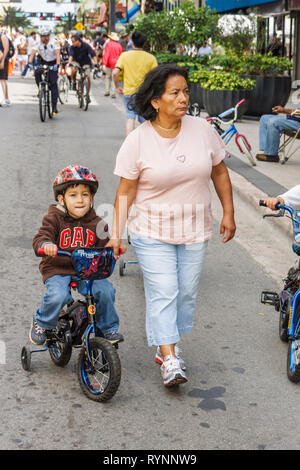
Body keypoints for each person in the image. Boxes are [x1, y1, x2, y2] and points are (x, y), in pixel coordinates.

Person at [107, 64, 236, 388]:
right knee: (164, 291)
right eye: (175, 93)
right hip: (151, 229)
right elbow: (126, 191)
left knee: (186, 293)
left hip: (194, 229)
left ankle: (166, 343)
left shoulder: (203, 130)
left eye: (185, 92)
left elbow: (219, 172)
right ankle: (170, 355)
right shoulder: (138, 141)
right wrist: (116, 233)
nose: (184, 98)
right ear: (156, 101)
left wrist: (229, 212)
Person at [30, 165, 125, 347]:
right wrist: (46, 245)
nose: (80, 200)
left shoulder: (97, 222)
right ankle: (42, 321)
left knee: (105, 291)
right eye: (73, 195)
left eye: (85, 195)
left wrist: (114, 248)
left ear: (92, 198)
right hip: (58, 267)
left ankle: (108, 328)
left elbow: (105, 245)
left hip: (87, 270)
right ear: (61, 199)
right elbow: (41, 237)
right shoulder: (54, 218)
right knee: (58, 295)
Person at [113, 31, 157, 135]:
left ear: (132, 43)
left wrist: (117, 86)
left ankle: (130, 143)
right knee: (144, 120)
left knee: (130, 117)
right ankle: (145, 143)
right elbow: (156, 77)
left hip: (129, 92)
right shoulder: (151, 58)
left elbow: (115, 73)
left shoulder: (125, 56)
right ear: (144, 43)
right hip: (144, 93)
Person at [28, 26, 60, 115]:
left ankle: (54, 105)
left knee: (53, 83)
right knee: (37, 72)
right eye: (41, 35)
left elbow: (57, 55)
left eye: (44, 36)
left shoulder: (55, 42)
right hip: (42, 61)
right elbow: (33, 53)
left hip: (53, 62)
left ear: (48, 36)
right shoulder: (38, 42)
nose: (42, 38)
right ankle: (40, 88)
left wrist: (57, 65)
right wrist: (30, 63)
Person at [102, 32, 122, 98]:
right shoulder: (119, 45)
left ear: (110, 38)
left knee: (108, 77)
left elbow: (106, 54)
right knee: (114, 78)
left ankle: (107, 91)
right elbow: (120, 55)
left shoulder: (108, 44)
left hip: (108, 63)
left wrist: (104, 64)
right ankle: (113, 92)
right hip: (116, 64)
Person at [0, 22, 11, 107]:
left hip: (2, 60)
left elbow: (6, 49)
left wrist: (3, 61)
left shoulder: (3, 36)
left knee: (2, 79)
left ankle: (6, 99)